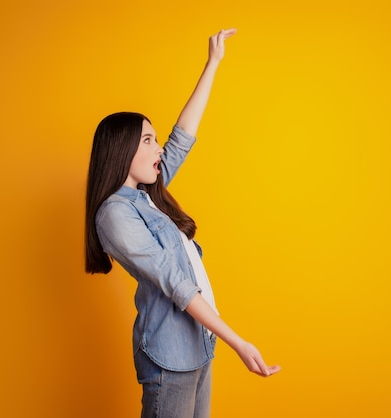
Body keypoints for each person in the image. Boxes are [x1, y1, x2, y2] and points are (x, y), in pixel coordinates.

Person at [85, 28, 280, 418]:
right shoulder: (115, 215)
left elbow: (181, 139)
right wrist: (238, 342)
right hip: (168, 356)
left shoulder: (148, 195)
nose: (159, 148)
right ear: (122, 149)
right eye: (147, 140)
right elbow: (175, 281)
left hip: (198, 344)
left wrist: (213, 63)